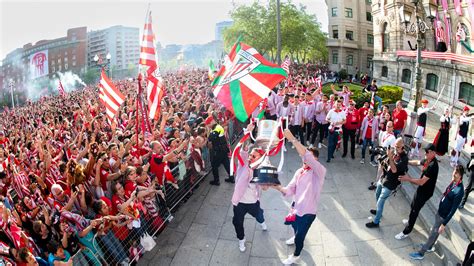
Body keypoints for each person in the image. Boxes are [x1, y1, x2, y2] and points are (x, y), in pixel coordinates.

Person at [272, 129, 326, 265]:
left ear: (316, 160)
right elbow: (289, 190)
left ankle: (296, 255)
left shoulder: (319, 171)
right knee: (295, 229)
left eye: (309, 157)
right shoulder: (299, 171)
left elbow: (306, 156)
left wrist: (292, 139)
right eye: (304, 157)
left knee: (300, 239)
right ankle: (295, 236)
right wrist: (275, 185)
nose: (305, 159)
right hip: (296, 208)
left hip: (308, 213)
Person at [409, 165, 465, 260]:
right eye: (454, 171)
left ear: (461, 176)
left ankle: (421, 253)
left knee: (433, 234)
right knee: (434, 233)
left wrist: (444, 224)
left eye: (456, 173)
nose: (453, 174)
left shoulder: (459, 191)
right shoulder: (454, 182)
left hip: (443, 216)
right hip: (440, 212)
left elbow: (453, 210)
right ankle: (430, 247)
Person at [231, 123, 268, 252]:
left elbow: (264, 188)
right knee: (237, 222)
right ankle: (241, 240)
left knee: (259, 215)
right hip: (239, 202)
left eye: (254, 156)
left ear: (260, 159)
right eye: (250, 155)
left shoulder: (261, 170)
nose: (250, 158)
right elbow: (244, 149)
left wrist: (266, 183)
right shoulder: (244, 163)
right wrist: (248, 133)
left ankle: (262, 222)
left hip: (252, 202)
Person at [395, 143, 439, 239]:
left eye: (427, 152)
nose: (425, 154)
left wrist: (408, 179)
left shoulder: (433, 166)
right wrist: (407, 161)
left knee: (415, 210)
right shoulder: (428, 160)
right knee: (413, 205)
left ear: (432, 153)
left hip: (425, 192)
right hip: (421, 189)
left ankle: (406, 231)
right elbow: (418, 162)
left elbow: (422, 182)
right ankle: (410, 221)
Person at [366, 138, 408, 228]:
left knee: (380, 201)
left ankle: (376, 222)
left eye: (398, 147)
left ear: (403, 147)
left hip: (391, 184)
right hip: (384, 178)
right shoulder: (395, 153)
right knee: (377, 194)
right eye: (395, 146)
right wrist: (384, 158)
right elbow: (387, 164)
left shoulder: (404, 159)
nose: (395, 148)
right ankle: (378, 212)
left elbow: (394, 169)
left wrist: (390, 157)